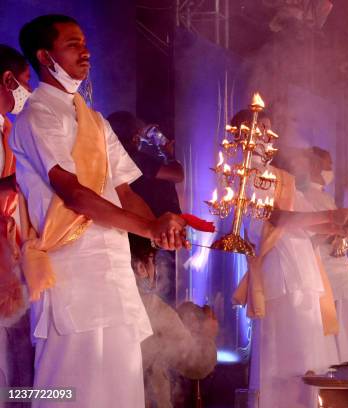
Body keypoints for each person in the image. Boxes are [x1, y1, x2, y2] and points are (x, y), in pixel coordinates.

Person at [12, 15, 192, 407]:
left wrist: (159, 232)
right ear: (45, 56)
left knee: (121, 390)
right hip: (71, 274)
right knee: (70, 391)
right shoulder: (37, 116)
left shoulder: (94, 120)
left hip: (114, 278)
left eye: (84, 42)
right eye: (73, 44)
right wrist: (149, 227)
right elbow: (74, 195)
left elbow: (124, 191)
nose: (86, 51)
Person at [230, 111, 348, 408]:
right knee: (285, 365)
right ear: (240, 135)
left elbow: (307, 221)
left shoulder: (282, 178)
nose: (267, 134)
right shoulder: (245, 175)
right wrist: (330, 216)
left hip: (306, 275)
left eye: (269, 128)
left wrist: (338, 225)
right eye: (259, 128)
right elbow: (276, 218)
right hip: (281, 276)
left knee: (310, 363)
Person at [130, 235, 218, 408]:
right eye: (152, 261)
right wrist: (208, 333)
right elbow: (196, 364)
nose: (155, 269)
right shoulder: (152, 306)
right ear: (140, 267)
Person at [108, 111, 184, 306]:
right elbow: (176, 174)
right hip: (149, 233)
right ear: (134, 137)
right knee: (152, 294)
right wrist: (168, 154)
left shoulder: (111, 160)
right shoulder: (135, 158)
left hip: (133, 230)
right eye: (141, 136)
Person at [299, 146, 348, 364]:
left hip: (339, 264)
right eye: (328, 163)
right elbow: (307, 232)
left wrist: (347, 231)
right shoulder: (305, 196)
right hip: (324, 267)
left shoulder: (325, 197)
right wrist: (335, 233)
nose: (331, 168)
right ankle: (334, 363)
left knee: (346, 317)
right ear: (314, 164)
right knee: (330, 317)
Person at [0, 44, 34, 402]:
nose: (29, 91)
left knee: (20, 371)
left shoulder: (12, 129)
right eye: (25, 82)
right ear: (7, 80)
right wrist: (11, 185)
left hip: (12, 262)